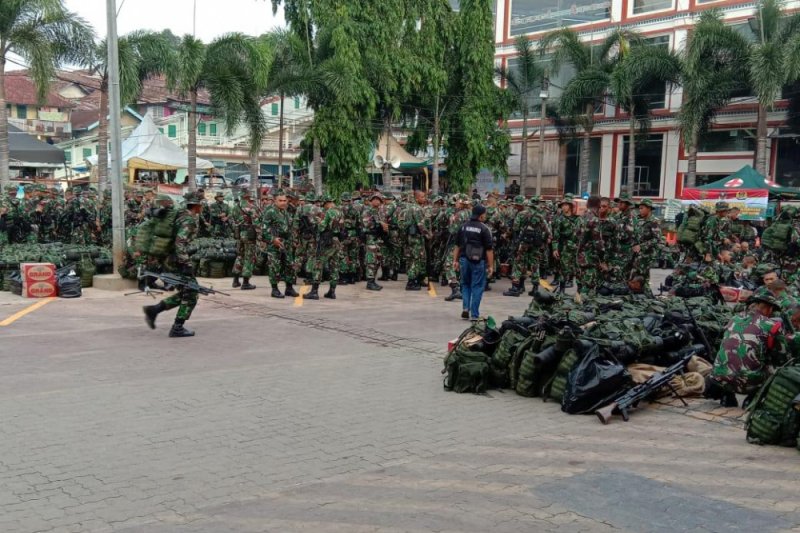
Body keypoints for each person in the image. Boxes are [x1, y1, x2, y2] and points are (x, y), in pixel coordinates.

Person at [706, 293, 788, 406]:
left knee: (729, 357)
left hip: (719, 378)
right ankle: (752, 399)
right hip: (748, 382)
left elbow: (722, 344)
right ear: (770, 308)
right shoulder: (771, 325)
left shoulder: (733, 319)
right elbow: (782, 356)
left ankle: (727, 396)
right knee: (777, 368)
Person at [142, 191, 205, 338]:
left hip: (168, 259)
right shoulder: (188, 219)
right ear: (196, 205)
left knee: (187, 291)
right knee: (192, 293)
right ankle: (177, 327)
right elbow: (180, 242)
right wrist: (186, 263)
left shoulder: (179, 214)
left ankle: (154, 310)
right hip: (177, 261)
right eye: (201, 204)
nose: (202, 207)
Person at [453, 204, 494, 321]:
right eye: (485, 214)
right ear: (481, 216)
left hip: (464, 259)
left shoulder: (463, 227)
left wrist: (455, 261)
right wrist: (491, 266)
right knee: (477, 286)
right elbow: (489, 250)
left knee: (465, 285)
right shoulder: (484, 229)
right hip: (478, 261)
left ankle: (465, 308)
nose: (485, 216)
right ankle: (475, 315)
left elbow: (457, 246)